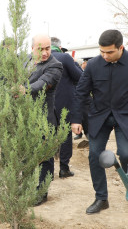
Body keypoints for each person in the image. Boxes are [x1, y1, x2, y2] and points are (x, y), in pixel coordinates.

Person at [71, 29, 128, 214]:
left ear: (121, 47)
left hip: (124, 116)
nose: (104, 56)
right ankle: (101, 198)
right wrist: (76, 119)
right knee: (94, 155)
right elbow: (80, 92)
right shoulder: (93, 65)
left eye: (109, 52)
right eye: (102, 51)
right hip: (99, 117)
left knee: (126, 154)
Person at [23, 34, 63, 205]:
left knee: (44, 157)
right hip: (24, 118)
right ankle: (27, 187)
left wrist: (22, 89)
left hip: (44, 119)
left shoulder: (55, 65)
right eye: (41, 49)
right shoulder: (25, 61)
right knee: (26, 155)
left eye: (48, 48)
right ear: (32, 48)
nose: (45, 52)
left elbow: (40, 84)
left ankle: (42, 192)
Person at [51, 37, 83, 178]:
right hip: (64, 103)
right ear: (59, 46)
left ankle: (47, 171)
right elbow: (80, 77)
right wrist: (75, 64)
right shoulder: (64, 57)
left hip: (44, 104)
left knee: (47, 135)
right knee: (64, 135)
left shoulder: (37, 58)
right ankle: (64, 168)